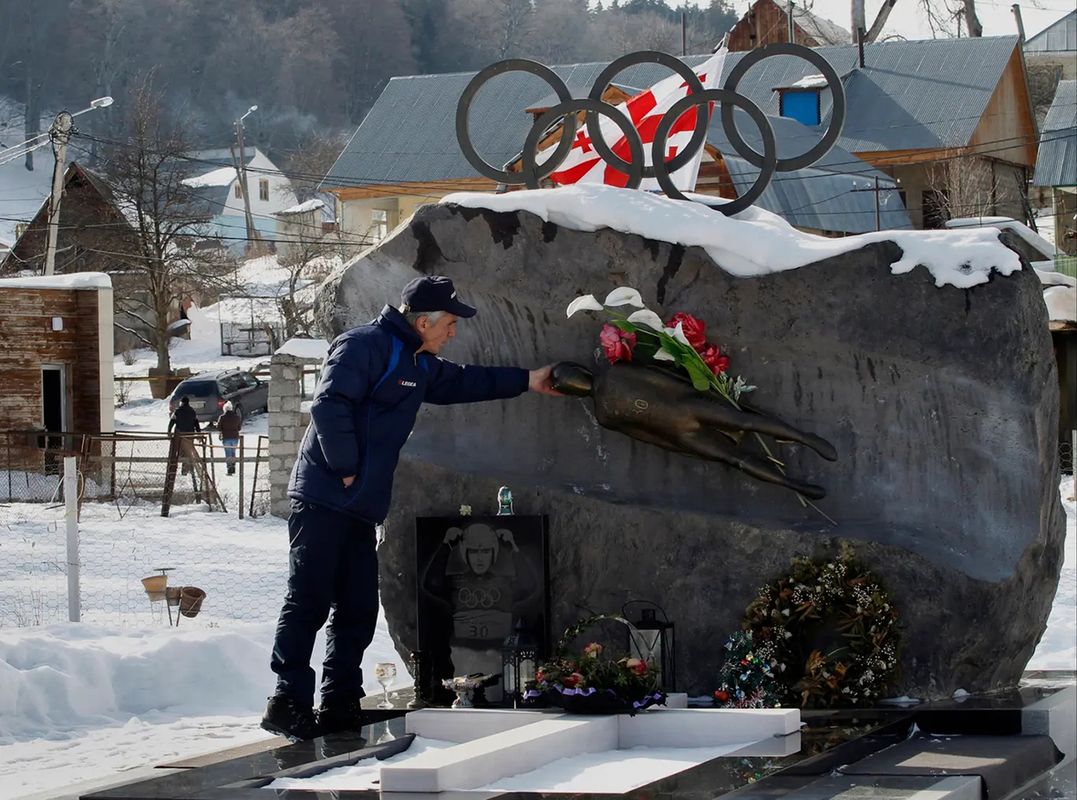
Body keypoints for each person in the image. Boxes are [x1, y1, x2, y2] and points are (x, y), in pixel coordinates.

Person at [262, 275, 561, 741]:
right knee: (309, 599)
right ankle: (287, 701)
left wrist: (529, 380)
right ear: (423, 322)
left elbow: (466, 381)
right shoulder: (364, 345)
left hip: (359, 506)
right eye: (449, 325)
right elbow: (329, 405)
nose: (453, 333)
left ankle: (339, 703)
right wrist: (346, 469)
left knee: (357, 607)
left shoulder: (419, 362)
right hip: (324, 497)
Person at [167, 396, 201, 480]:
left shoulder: (177, 411)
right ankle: (186, 469)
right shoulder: (192, 411)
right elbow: (196, 423)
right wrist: (198, 433)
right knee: (188, 450)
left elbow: (172, 422)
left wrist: (169, 431)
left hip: (179, 434)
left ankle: (175, 468)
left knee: (179, 451)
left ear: (182, 402)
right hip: (189, 434)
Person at [216, 401, 242, 475]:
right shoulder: (237, 417)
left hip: (226, 437)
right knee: (233, 452)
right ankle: (233, 466)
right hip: (235, 437)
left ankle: (229, 467)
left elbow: (218, 428)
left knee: (228, 453)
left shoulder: (222, 417)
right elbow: (239, 428)